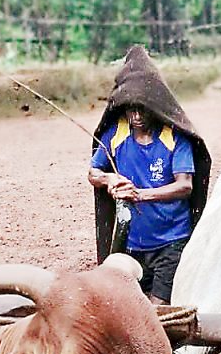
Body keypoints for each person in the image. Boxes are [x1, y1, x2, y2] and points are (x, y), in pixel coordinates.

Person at [89, 45, 211, 305]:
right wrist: (110, 179)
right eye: (129, 109)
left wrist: (140, 195)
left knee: (158, 308)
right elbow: (93, 172)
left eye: (142, 109)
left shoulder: (173, 138)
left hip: (171, 240)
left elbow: (184, 186)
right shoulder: (116, 135)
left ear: (154, 107)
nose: (136, 116)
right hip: (132, 242)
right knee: (130, 304)